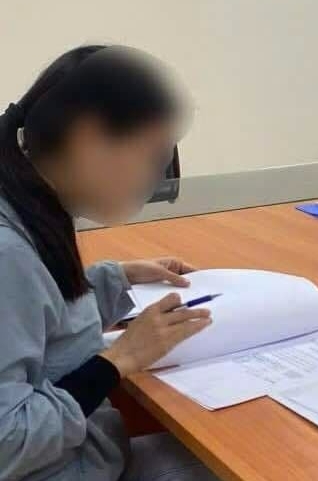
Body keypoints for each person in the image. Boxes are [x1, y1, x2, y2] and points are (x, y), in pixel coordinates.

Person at [0, 46, 220, 480]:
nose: (152, 181)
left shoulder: (29, 200)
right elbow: (7, 443)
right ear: (89, 138)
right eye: (152, 158)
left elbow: (37, 322)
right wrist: (118, 360)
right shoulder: (8, 254)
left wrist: (112, 280)